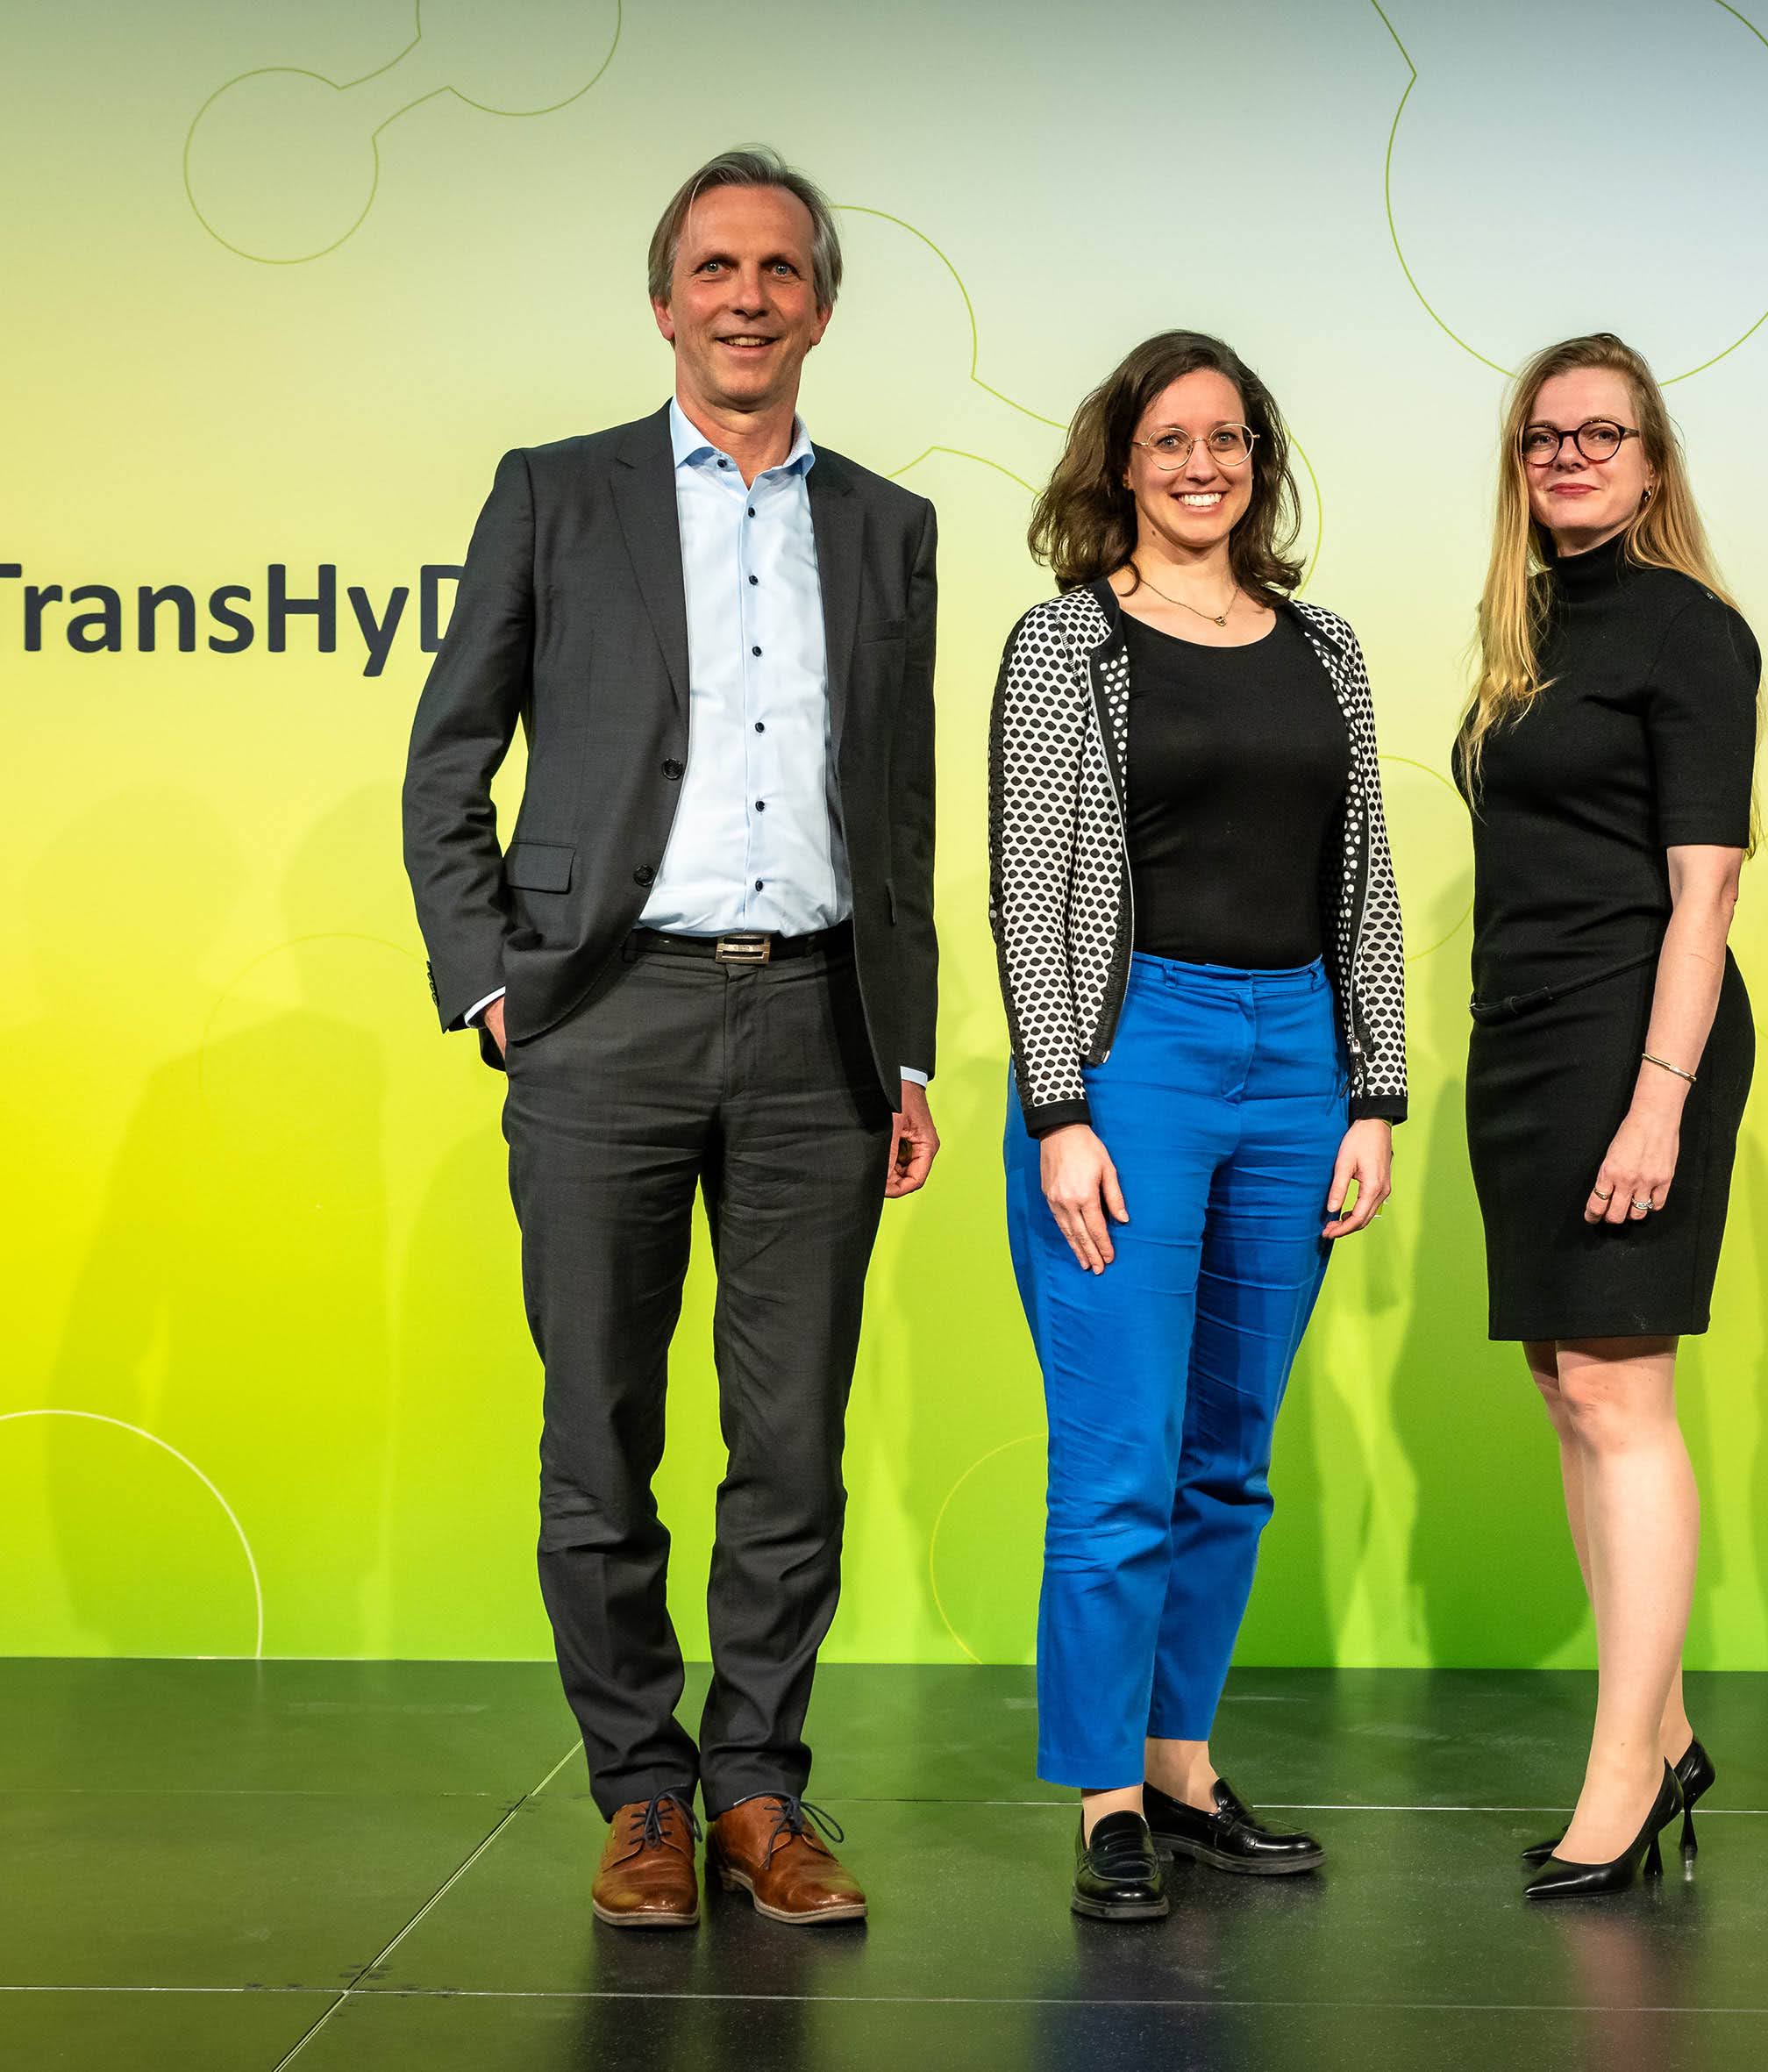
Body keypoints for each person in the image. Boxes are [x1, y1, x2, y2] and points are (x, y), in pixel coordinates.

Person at [402, 147, 943, 1931]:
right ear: (663, 302)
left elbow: (903, 807)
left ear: (821, 309)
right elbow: (447, 757)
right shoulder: (556, 492)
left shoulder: (889, 526)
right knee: (600, 1431)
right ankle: (639, 1789)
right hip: (601, 1020)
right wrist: (492, 981)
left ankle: (758, 1791)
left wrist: (909, 1049)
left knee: (790, 1445)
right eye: (715, 267)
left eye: (780, 269)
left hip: (818, 1025)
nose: (746, 297)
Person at [988, 331, 1408, 1923]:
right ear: (1122, 461)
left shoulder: (1325, 646)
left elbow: (1362, 881)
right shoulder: (1065, 643)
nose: (1199, 465)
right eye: (1168, 439)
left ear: (1258, 460)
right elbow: (1032, 887)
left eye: (1225, 438)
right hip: (1134, 1058)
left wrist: (1372, 1090)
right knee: (1119, 1464)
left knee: (1229, 1460)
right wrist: (1059, 1108)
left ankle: (1179, 1762)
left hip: (1295, 1060)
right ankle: (1105, 1796)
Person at [1455, 333, 1758, 1901]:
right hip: (1525, 1044)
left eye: (1600, 435)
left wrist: (1658, 1103)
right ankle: (1669, 1728)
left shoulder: (1689, 628)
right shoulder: (1526, 624)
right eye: (1543, 435)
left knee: (1618, 1396)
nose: (1567, 456)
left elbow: (1706, 887)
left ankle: (1624, 1772)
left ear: (1650, 465)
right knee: (1568, 1389)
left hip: (1634, 1038)